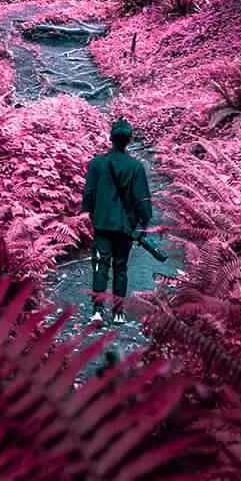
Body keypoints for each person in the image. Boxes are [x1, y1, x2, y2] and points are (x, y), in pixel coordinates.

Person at [80, 115, 153, 324]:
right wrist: (144, 223)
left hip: (102, 223)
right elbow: (142, 198)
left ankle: (97, 311)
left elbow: (89, 193)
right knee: (120, 267)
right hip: (125, 226)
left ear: (111, 138)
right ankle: (119, 312)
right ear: (129, 140)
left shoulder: (97, 163)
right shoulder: (135, 166)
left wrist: (89, 212)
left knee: (100, 265)